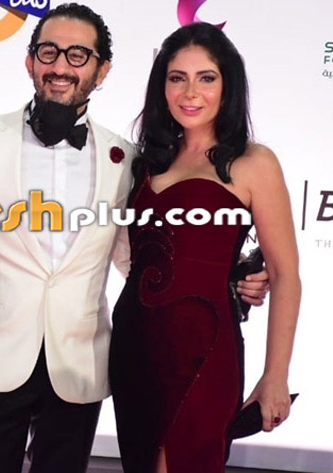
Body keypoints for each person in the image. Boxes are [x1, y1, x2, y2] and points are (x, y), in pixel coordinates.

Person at [0, 5, 269, 473]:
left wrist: (230, 280)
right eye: (49, 52)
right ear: (30, 61)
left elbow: (142, 258)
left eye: (78, 55)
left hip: (80, 362)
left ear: (102, 70)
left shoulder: (126, 158)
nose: (61, 66)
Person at [108, 22, 301, 473]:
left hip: (205, 351)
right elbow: (144, 256)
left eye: (206, 78)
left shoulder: (253, 163)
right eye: (177, 78)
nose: (190, 92)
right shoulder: (145, 162)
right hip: (136, 346)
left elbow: (286, 274)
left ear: (227, 85)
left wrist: (275, 375)